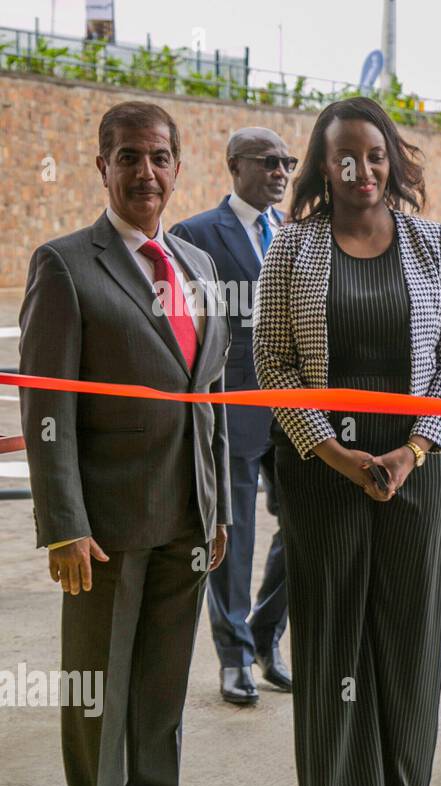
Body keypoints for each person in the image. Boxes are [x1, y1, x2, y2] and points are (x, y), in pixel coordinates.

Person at [253, 97, 441, 786]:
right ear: (325, 166)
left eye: (376, 154)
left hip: (418, 467)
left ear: (392, 160)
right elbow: (273, 364)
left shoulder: (433, 243)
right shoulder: (293, 248)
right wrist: (338, 454)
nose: (363, 169)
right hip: (322, 471)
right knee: (330, 635)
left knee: (409, 633)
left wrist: (414, 451)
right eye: (346, 156)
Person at [19, 101, 229, 786]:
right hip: (104, 524)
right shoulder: (66, 264)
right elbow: (47, 407)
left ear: (177, 165)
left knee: (163, 680)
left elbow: (211, 401)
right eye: (129, 157)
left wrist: (221, 508)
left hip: (187, 516)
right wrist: (63, 522)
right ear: (101, 165)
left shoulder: (201, 268)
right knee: (98, 682)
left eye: (160, 157)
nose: (146, 172)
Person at [172, 127, 293, 705]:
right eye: (269, 161)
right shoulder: (194, 236)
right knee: (233, 538)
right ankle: (234, 657)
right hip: (233, 411)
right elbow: (182, 330)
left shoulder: (294, 233)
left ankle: (266, 636)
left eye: (288, 162)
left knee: (303, 529)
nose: (281, 171)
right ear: (234, 165)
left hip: (295, 411)